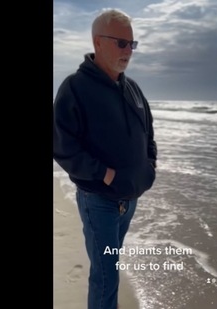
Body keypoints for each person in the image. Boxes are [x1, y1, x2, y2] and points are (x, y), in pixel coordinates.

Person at [53, 8, 157, 309]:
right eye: (121, 43)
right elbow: (61, 145)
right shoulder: (75, 88)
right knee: (106, 273)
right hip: (98, 198)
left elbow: (147, 132)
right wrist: (105, 174)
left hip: (130, 198)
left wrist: (150, 165)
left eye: (132, 44)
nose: (128, 51)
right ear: (97, 42)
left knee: (109, 264)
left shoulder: (132, 88)